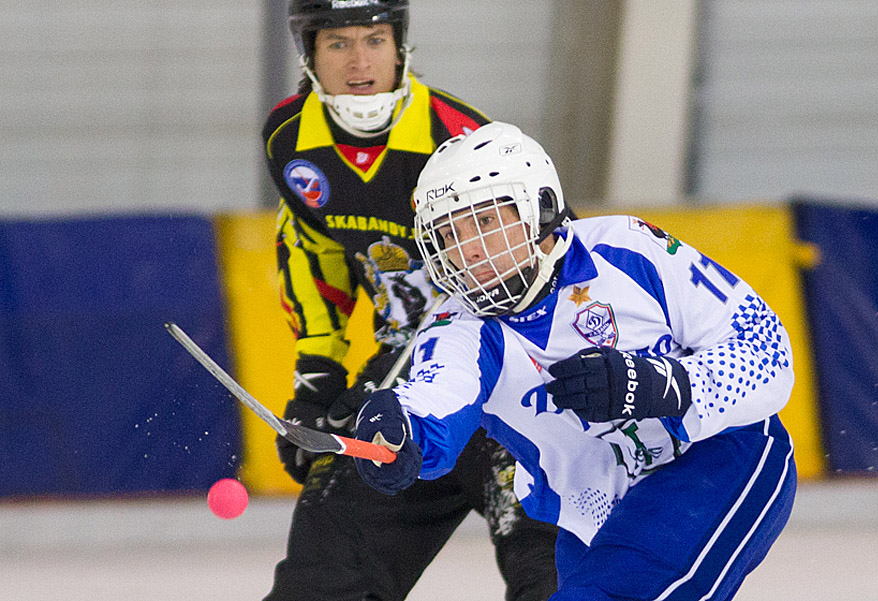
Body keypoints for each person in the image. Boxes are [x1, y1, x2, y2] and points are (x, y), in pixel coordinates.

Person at [352, 121, 799, 601]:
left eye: (484, 221)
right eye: (449, 232)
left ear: (538, 208)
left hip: (718, 459)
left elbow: (767, 348)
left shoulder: (625, 248)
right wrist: (398, 431)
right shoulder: (455, 328)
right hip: (598, 515)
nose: (469, 250)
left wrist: (662, 385)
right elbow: (435, 403)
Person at [261, 2, 559, 600]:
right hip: (404, 386)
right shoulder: (289, 139)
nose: (360, 61)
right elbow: (312, 252)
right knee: (322, 581)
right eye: (338, 43)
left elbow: (555, 251)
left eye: (375, 39)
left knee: (556, 579)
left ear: (401, 47)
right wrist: (317, 376)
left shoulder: (461, 135)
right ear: (310, 56)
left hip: (514, 379)